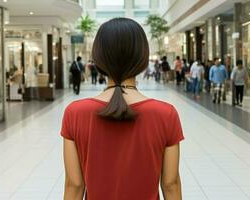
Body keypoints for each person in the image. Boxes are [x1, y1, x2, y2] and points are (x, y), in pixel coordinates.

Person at [61, 18, 184, 200]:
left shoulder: (75, 113)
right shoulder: (166, 114)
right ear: (142, 59)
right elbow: (170, 184)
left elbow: (75, 185)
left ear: (99, 59)